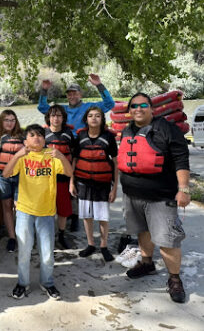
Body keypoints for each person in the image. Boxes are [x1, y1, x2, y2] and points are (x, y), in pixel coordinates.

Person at [117, 92, 190, 303]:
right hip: (132, 195)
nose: (137, 109)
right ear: (129, 110)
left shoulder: (167, 129)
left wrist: (183, 189)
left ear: (152, 108)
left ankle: (174, 278)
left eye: (142, 105)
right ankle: (147, 262)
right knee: (143, 231)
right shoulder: (127, 130)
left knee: (168, 239)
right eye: (133, 106)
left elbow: (181, 159)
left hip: (161, 197)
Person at [2, 124, 72, 300]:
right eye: (32, 135)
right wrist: (17, 155)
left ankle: (47, 283)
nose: (37, 138)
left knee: (47, 254)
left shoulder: (52, 154)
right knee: (24, 251)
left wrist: (62, 157)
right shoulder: (23, 157)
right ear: (25, 141)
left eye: (40, 135)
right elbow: (5, 173)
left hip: (47, 212)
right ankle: (22, 283)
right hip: (25, 211)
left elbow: (69, 172)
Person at [69, 107, 118, 261]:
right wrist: (72, 182)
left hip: (102, 183)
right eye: (90, 116)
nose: (94, 118)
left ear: (102, 119)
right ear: (86, 119)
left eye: (97, 116)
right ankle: (90, 244)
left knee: (103, 217)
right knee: (86, 215)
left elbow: (116, 164)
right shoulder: (81, 136)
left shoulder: (108, 137)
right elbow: (74, 160)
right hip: (82, 182)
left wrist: (115, 188)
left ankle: (103, 245)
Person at [0, 110, 24, 253]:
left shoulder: (23, 136)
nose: (10, 123)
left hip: (21, 176)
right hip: (3, 176)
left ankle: (22, 234)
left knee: (19, 207)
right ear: (1, 121)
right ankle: (12, 238)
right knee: (6, 206)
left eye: (12, 120)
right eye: (7, 120)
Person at [37, 74, 115, 133]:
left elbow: (110, 104)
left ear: (80, 95)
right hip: (66, 141)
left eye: (75, 94)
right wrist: (44, 90)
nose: (72, 97)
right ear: (67, 96)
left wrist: (99, 85)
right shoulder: (61, 109)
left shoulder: (90, 107)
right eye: (69, 94)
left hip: (84, 142)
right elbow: (42, 107)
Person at [44, 104, 76, 249]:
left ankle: (61, 235)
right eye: (53, 115)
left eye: (58, 116)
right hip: (46, 179)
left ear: (63, 118)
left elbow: (74, 157)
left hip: (63, 178)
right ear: (48, 118)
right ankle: (47, 236)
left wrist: (72, 180)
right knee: (47, 210)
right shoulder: (43, 134)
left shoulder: (68, 134)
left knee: (63, 210)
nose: (55, 118)